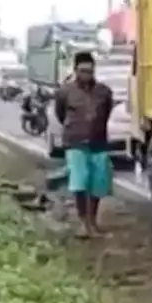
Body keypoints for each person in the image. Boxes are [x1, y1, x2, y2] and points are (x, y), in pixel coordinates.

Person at [54, 51, 114, 238]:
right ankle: (83, 223)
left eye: (90, 70)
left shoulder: (104, 92)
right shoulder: (65, 92)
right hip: (75, 143)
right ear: (75, 70)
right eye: (82, 71)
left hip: (98, 143)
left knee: (98, 184)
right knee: (79, 182)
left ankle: (93, 221)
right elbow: (60, 114)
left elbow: (107, 113)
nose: (86, 75)